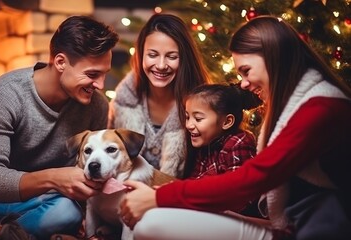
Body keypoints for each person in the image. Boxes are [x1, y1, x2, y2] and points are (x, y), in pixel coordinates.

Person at [119, 15, 351, 240]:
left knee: (151, 224)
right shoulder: (300, 103)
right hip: (287, 223)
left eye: (246, 71)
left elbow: (254, 179)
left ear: (272, 59)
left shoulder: (320, 109)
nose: (243, 83)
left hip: (307, 228)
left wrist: (159, 196)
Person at [0, 15, 119, 240]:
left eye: (105, 74)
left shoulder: (97, 106)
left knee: (65, 212)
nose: (101, 85)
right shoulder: (5, 93)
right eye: (93, 74)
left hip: (49, 206)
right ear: (61, 62)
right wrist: (53, 177)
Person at [108, 13, 211, 178]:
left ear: (184, 59)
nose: (161, 65)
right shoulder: (123, 100)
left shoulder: (202, 104)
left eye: (171, 57)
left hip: (176, 198)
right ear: (141, 55)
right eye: (153, 55)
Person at [183, 83, 262, 217]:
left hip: (234, 219)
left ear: (227, 122)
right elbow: (194, 181)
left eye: (198, 119)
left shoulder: (239, 142)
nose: (189, 125)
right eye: (187, 117)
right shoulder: (206, 144)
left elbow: (240, 195)